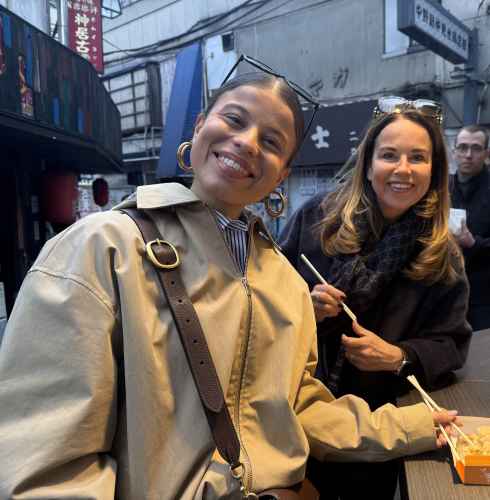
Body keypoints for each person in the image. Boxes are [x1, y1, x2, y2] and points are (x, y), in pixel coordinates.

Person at [0, 76, 458, 500]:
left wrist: (413, 425)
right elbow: (46, 459)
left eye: (273, 142)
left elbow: (297, 407)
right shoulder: (102, 246)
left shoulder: (282, 280)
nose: (246, 142)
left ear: (282, 175)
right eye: (234, 120)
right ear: (199, 126)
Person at [279, 99, 472, 499]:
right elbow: (263, 304)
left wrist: (399, 356)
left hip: (382, 424)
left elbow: (452, 343)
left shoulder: (442, 251)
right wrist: (305, 307)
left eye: (417, 157)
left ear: (434, 170)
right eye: (389, 155)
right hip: (298, 410)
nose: (403, 169)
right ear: (368, 164)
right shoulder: (318, 218)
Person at [450, 125, 490, 331]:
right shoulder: (442, 188)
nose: (468, 155)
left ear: (486, 153)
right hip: (445, 292)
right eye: (463, 147)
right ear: (454, 151)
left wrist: (474, 243)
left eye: (476, 148)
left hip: (483, 297)